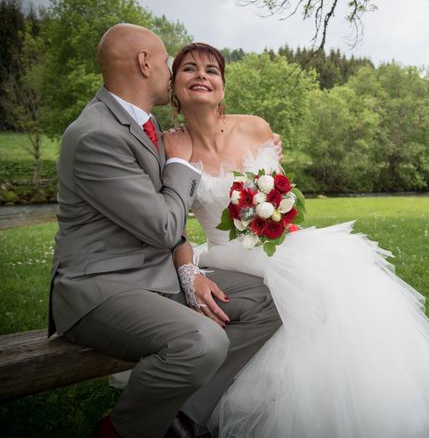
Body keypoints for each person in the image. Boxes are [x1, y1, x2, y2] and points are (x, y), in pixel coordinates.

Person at [170, 41, 429, 438]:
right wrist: (189, 272)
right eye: (189, 69)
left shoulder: (255, 127)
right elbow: (169, 221)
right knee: (307, 283)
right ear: (173, 86)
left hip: (276, 240)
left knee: (343, 273)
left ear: (223, 86)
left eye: (211, 70)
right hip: (225, 251)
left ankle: (367, 397)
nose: (201, 77)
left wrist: (275, 213)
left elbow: (280, 191)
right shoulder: (170, 145)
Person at [48, 24, 281, 438]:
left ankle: (186, 414)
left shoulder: (142, 125)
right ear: (145, 63)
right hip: (103, 287)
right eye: (170, 64)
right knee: (203, 341)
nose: (176, 73)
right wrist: (182, 166)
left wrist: (188, 272)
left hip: (156, 274)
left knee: (270, 300)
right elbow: (163, 223)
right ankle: (121, 431)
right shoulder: (97, 135)